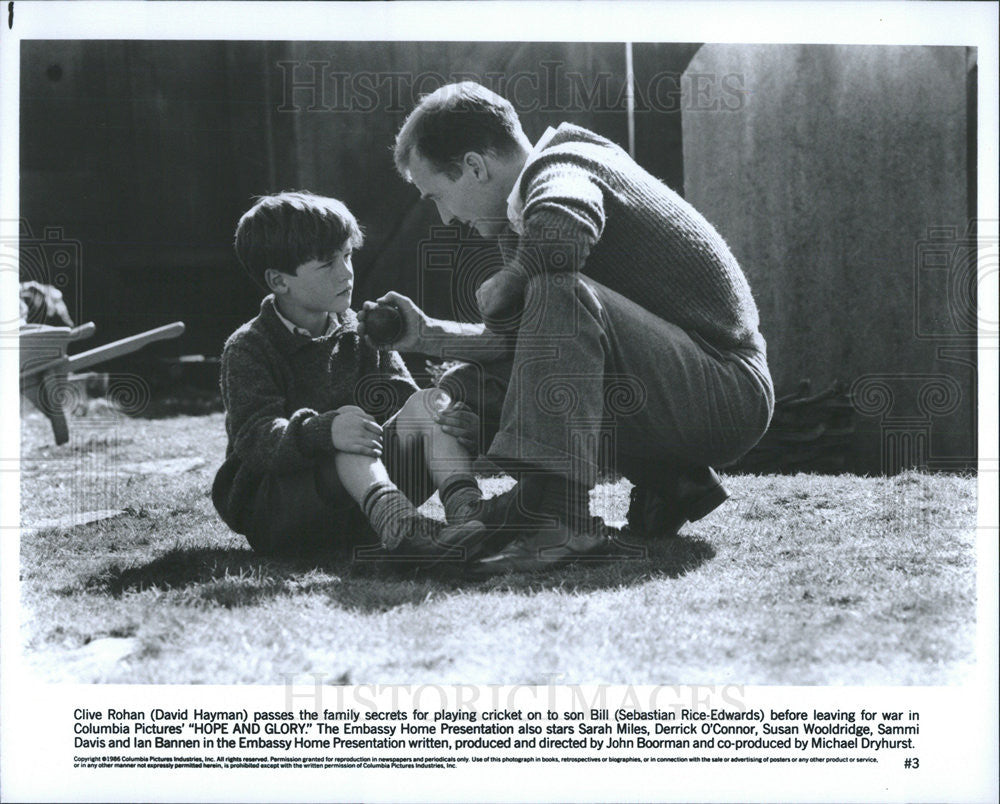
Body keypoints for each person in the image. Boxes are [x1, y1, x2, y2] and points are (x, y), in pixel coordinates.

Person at [359, 82, 775, 575]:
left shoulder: (560, 167)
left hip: (726, 389)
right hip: (675, 390)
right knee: (470, 380)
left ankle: (557, 519)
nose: (446, 217)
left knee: (557, 285)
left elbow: (565, 234)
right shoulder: (521, 221)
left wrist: (512, 277)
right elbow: (517, 347)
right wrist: (427, 334)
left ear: (475, 166)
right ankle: (668, 479)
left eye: (439, 197)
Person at [211, 191, 484, 560]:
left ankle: (469, 513)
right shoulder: (249, 348)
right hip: (283, 509)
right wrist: (323, 430)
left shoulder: (361, 330)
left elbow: (405, 405)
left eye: (348, 255)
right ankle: (404, 531)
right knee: (348, 427)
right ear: (279, 281)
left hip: (359, 501)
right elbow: (255, 440)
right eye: (327, 264)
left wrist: (449, 421)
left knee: (429, 401)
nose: (346, 272)